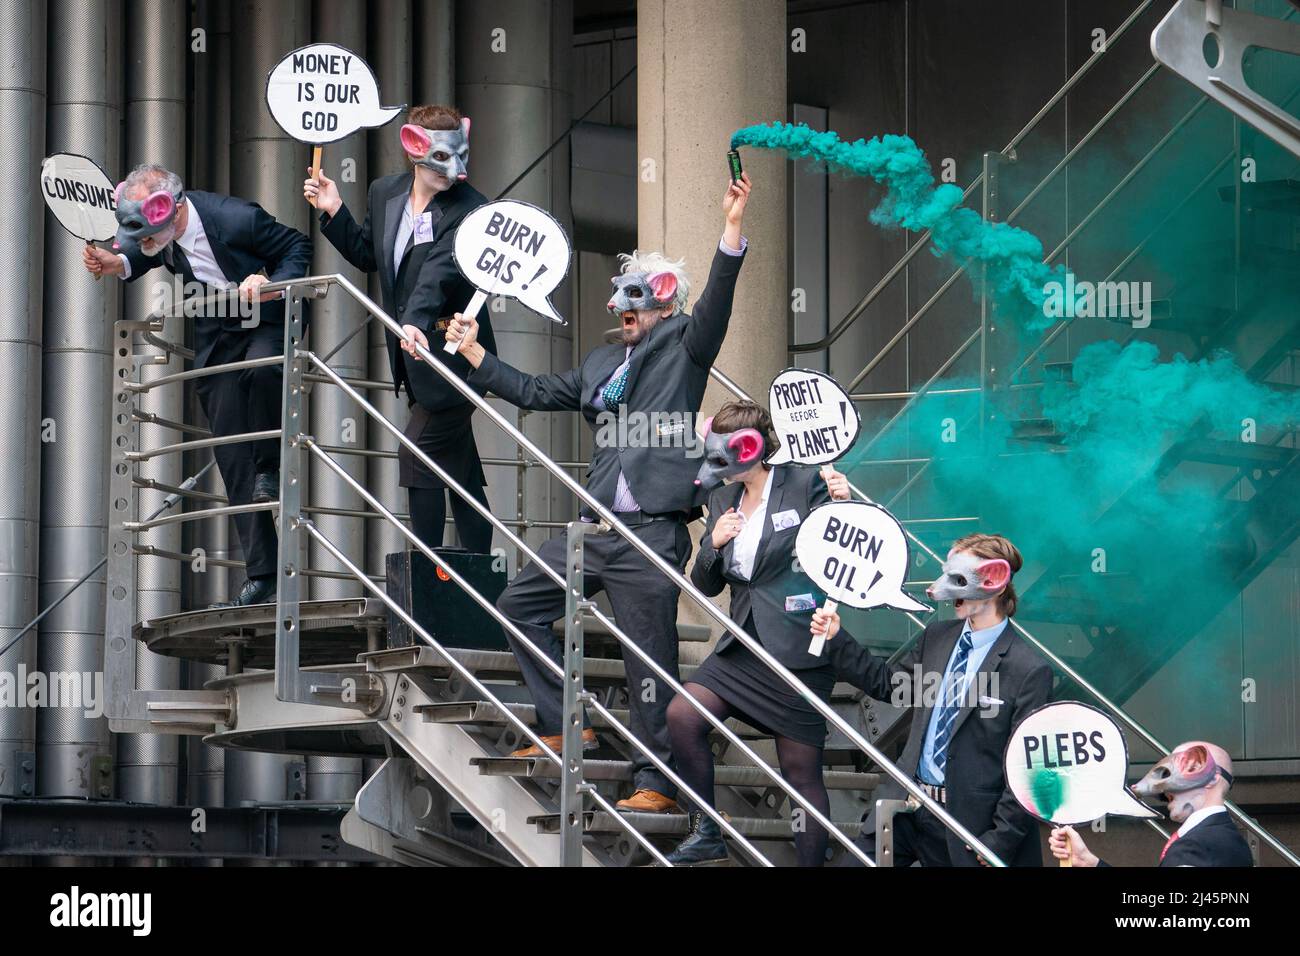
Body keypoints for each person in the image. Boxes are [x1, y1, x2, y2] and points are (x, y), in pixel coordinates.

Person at [443, 170, 753, 814]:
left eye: (643, 300)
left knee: (650, 663)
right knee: (518, 605)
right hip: (595, 529)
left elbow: (717, 303)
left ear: (665, 305)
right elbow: (533, 392)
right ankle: (563, 719)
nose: (628, 311)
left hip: (653, 533)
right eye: (624, 300)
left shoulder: (684, 345)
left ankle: (656, 779)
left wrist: (730, 230)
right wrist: (474, 355)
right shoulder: (599, 362)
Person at [84, 163, 311, 607]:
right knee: (228, 443)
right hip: (217, 330)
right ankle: (263, 574)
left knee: (264, 368)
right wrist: (122, 260)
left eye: (148, 234)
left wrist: (271, 282)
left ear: (174, 211)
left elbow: (297, 247)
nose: (142, 241)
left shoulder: (234, 218)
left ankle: (271, 465)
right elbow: (147, 248)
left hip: (262, 316)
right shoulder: (158, 230)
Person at [663, 401, 851, 865]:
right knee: (682, 716)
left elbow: (841, 544)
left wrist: (843, 503)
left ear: (754, 448)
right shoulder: (720, 500)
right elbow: (705, 585)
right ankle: (705, 828)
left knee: (801, 775)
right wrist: (712, 545)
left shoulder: (805, 482)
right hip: (742, 646)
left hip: (797, 644)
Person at [304, 104, 496, 553]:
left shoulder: (472, 208)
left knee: (418, 454)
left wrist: (412, 323)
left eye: (463, 155)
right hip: (413, 357)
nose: (460, 171)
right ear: (415, 148)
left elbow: (439, 274)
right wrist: (334, 210)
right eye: (447, 159)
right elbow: (372, 256)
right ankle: (484, 567)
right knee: (460, 469)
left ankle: (425, 570)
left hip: (454, 353)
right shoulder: (384, 192)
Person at [813, 533, 1053, 865]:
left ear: (994, 582)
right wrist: (837, 639)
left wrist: (1000, 839)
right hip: (907, 809)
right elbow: (890, 685)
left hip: (969, 828)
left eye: (957, 578)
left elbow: (1028, 771)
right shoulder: (937, 638)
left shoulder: (1028, 670)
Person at [1050, 740, 1253, 867]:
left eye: (1185, 765)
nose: (1164, 788)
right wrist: (1090, 863)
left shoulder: (1198, 846)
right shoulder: (1229, 841)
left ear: (1212, 778)